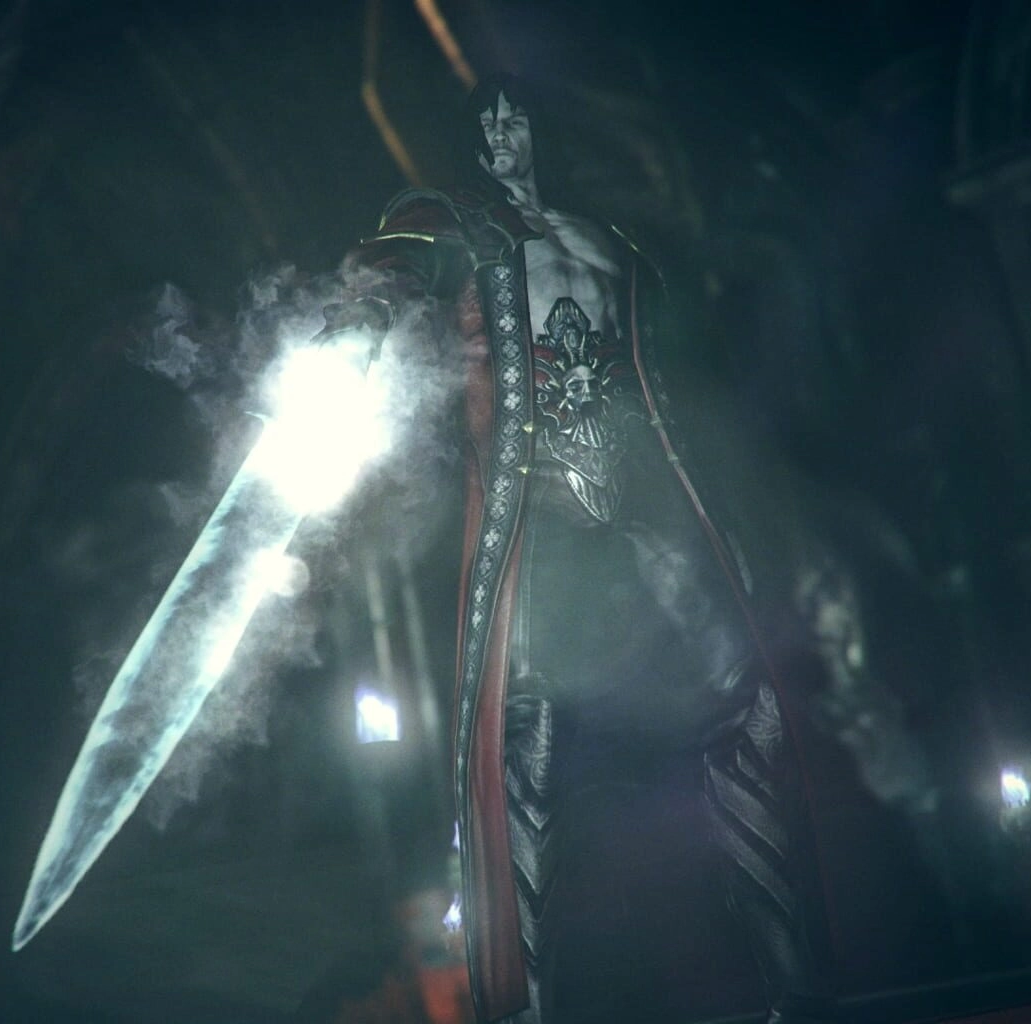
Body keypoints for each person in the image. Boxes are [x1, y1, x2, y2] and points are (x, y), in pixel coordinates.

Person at [330, 75, 832, 1023]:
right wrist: (358, 321)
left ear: (538, 127)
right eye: (484, 119)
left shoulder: (617, 244)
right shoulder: (452, 231)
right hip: (540, 511)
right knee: (529, 736)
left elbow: (677, 377)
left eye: (512, 114)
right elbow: (388, 266)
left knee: (744, 703)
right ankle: (529, 1010)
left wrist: (725, 507)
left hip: (650, 502)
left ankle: (798, 993)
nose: (499, 130)